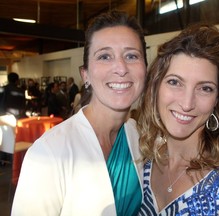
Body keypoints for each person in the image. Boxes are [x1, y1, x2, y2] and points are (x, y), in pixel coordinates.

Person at [12, 10, 147, 216]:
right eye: (104, 56)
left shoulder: (136, 134)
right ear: (86, 75)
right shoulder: (48, 153)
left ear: (145, 69)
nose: (121, 68)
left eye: (131, 55)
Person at [136, 24, 219, 215]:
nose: (187, 103)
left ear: (217, 98)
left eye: (205, 88)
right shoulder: (145, 159)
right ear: (156, 87)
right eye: (175, 82)